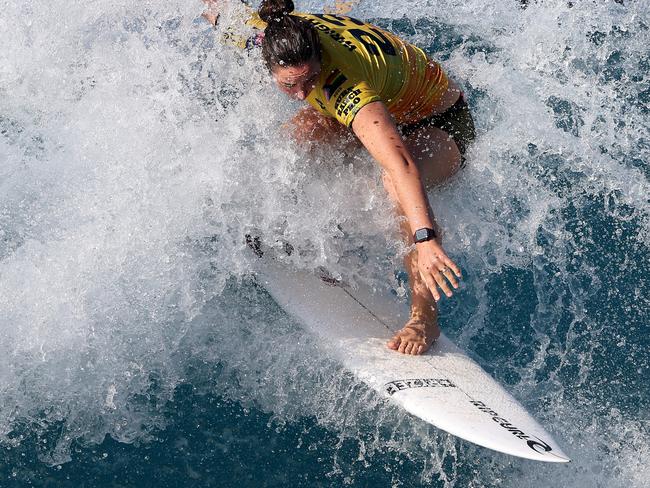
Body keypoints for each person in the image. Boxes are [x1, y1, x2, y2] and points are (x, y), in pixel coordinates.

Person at [203, 0, 476, 355]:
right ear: (268, 62)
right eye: (289, 85)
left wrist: (426, 240)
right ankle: (291, 231)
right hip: (389, 99)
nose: (301, 92)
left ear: (321, 61)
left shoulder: (348, 89)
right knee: (295, 138)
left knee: (393, 185)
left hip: (438, 124)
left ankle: (425, 318)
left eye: (309, 79)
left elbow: (402, 166)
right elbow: (219, 11)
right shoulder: (265, 35)